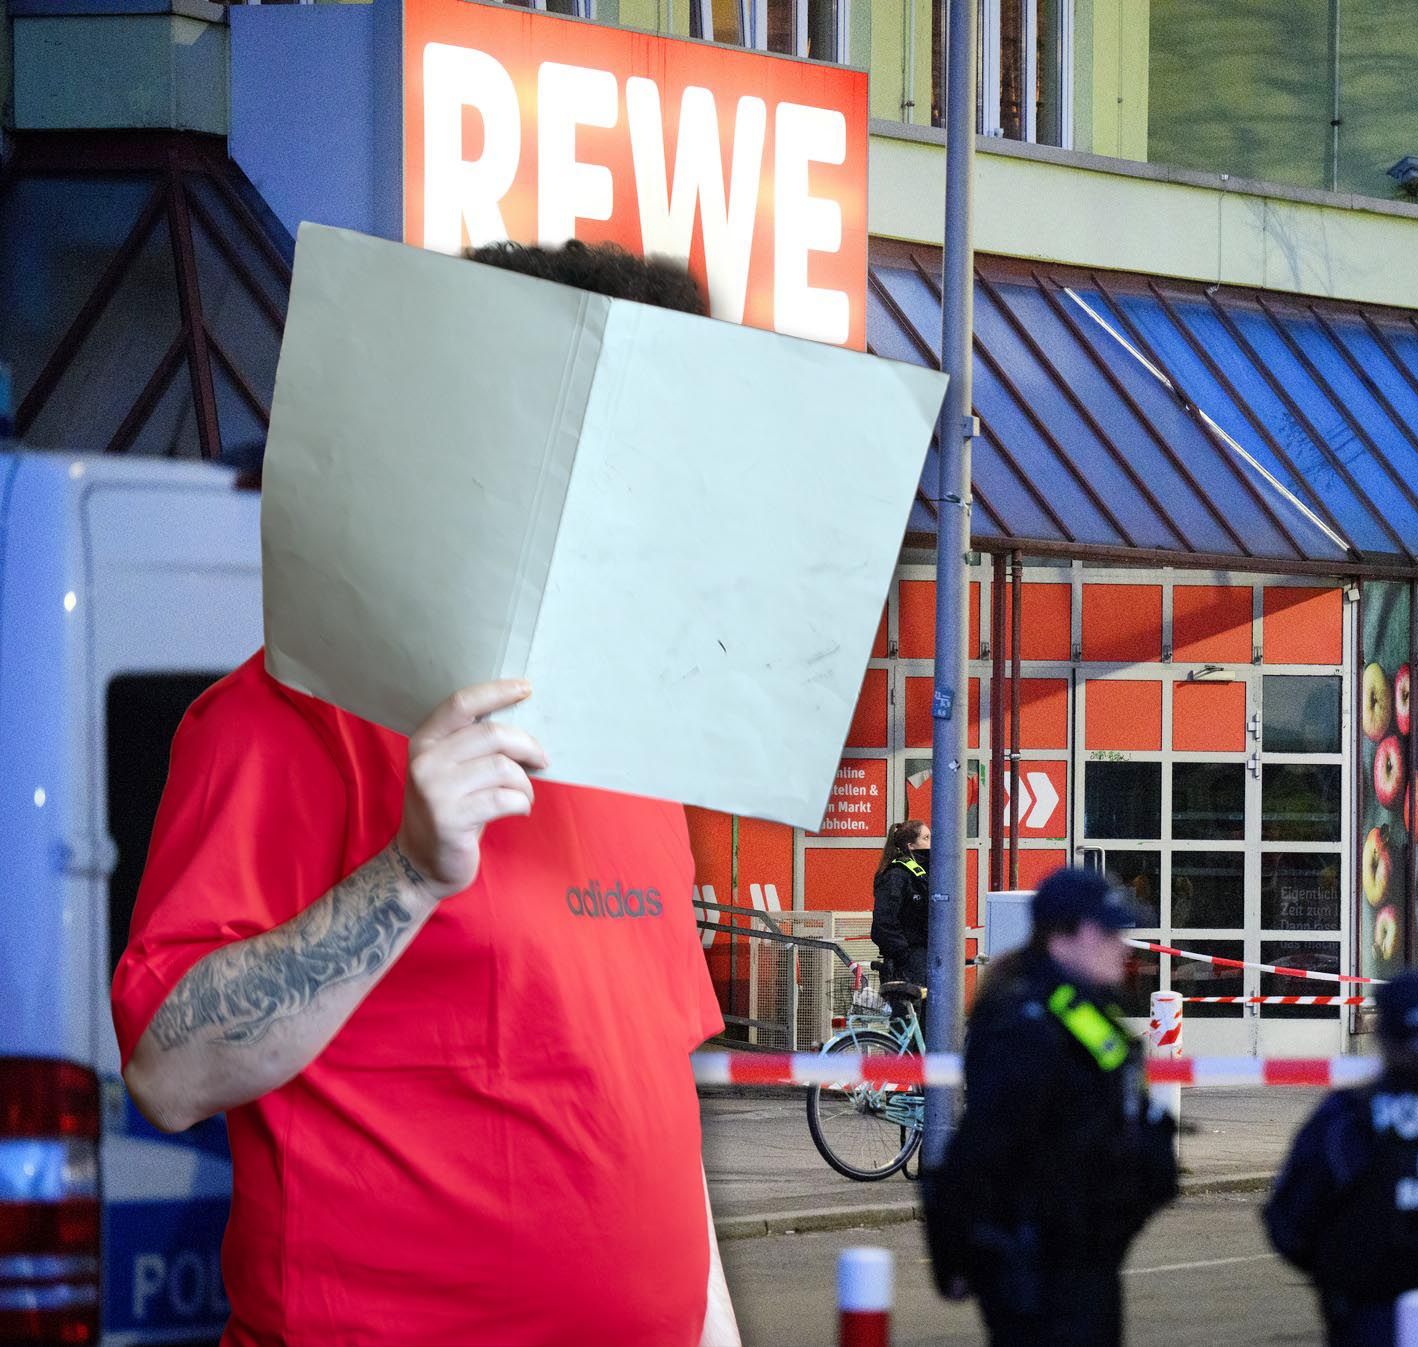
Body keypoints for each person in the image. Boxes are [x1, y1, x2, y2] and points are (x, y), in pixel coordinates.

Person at [113, 241, 740, 1346]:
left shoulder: (633, 748)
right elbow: (170, 1072)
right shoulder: (282, 715)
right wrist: (407, 874)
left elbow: (656, 1119)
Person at [922, 868, 1178, 1347]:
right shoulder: (1025, 1020)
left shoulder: (1081, 1010)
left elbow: (1117, 1113)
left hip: (1085, 1258)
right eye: (1107, 932)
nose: (1122, 946)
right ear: (1065, 936)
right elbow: (983, 1146)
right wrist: (956, 1255)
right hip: (1036, 1265)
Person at [1265, 970, 1418, 1347]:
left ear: (1383, 1036)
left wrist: (1340, 1276)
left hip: (1372, 1321)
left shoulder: (1349, 1119)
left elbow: (1288, 1222)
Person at [873, 818, 932, 985]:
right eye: (926, 838)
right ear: (910, 845)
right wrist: (904, 955)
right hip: (908, 961)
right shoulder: (896, 875)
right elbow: (884, 922)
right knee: (908, 1010)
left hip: (924, 956)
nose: (931, 843)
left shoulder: (924, 875)